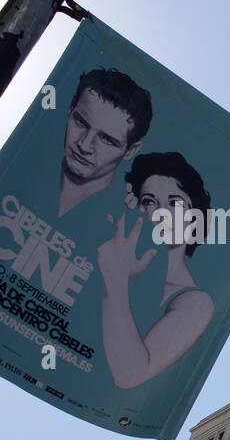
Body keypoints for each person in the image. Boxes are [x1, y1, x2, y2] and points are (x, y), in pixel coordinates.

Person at [97, 152, 215, 389]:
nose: (160, 213)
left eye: (175, 203)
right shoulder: (112, 255)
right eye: (149, 201)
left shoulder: (194, 302)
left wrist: (116, 281)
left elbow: (130, 374)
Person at [59, 68, 153, 217]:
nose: (84, 146)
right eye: (81, 123)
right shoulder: (26, 163)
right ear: (70, 111)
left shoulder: (122, 221)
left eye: (106, 139)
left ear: (130, 151)